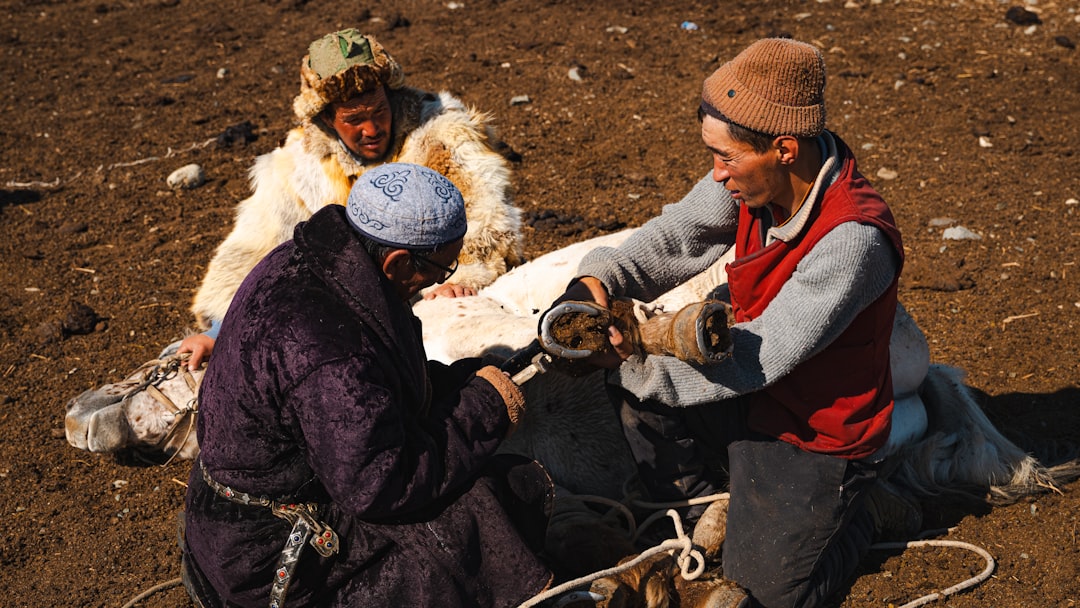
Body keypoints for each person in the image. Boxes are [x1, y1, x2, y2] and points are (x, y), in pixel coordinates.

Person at [548, 38, 918, 608]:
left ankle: (856, 515)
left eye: (726, 158)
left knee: (768, 595)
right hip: (746, 393)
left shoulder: (853, 241)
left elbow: (761, 357)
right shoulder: (754, 181)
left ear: (785, 149)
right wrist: (597, 283)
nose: (716, 175)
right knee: (633, 385)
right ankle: (704, 506)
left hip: (811, 432)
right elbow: (675, 237)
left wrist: (640, 362)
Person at [180, 162, 553, 608]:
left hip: (237, 517)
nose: (444, 277)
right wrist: (484, 408)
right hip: (270, 554)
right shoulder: (328, 349)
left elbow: (372, 393)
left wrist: (463, 381)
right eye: (443, 265)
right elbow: (380, 485)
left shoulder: (305, 260)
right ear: (397, 261)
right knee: (493, 500)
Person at [178, 28, 523, 367]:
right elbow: (264, 254)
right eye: (354, 119)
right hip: (350, 314)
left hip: (439, 291)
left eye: (378, 111)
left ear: (391, 96)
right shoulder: (301, 166)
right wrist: (222, 328)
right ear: (327, 118)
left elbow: (485, 223)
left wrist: (458, 280)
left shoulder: (441, 134)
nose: (371, 130)